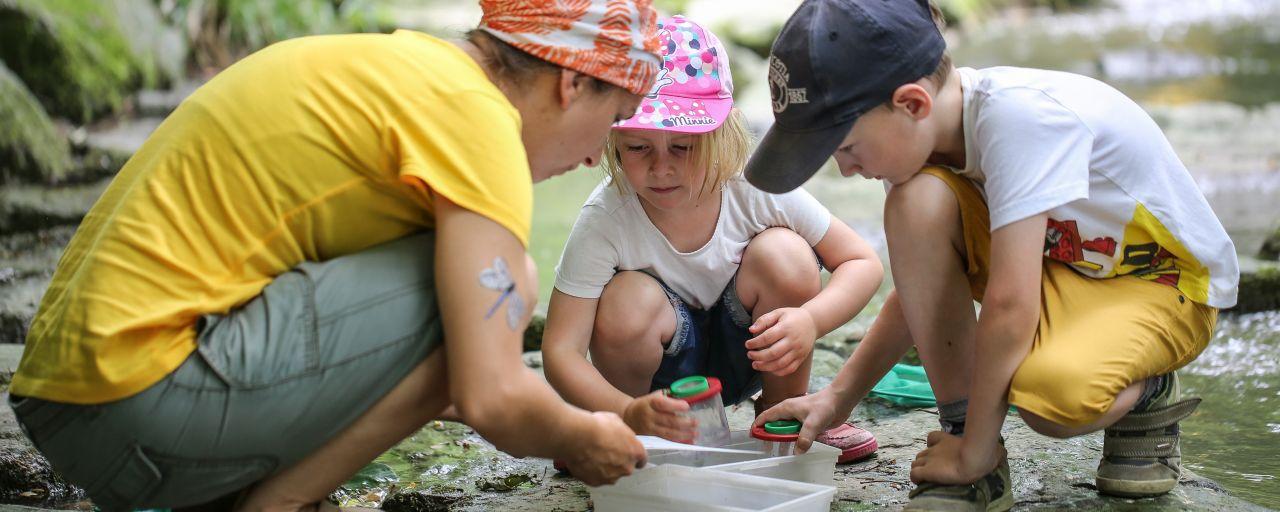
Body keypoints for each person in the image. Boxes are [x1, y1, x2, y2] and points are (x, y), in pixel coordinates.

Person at [8, 1, 664, 510]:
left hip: (71, 398)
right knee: (505, 279)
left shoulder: (407, 72)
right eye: (616, 119)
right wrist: (580, 436)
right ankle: (282, 502)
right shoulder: (478, 120)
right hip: (133, 406)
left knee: (467, 288)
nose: (591, 158)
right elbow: (489, 394)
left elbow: (410, 376)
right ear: (573, 83)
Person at [747, 0, 1239, 510]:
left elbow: (1007, 304)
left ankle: (1148, 393)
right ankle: (966, 442)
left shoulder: (1020, 121)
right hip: (1067, 265)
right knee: (915, 200)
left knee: (1051, 400)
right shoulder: (934, 143)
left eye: (846, 148)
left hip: (1159, 284)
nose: (845, 169)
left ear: (913, 104)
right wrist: (835, 401)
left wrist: (972, 452)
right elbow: (921, 298)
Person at [541, 15, 884, 464]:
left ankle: (783, 416)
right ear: (612, 135)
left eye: (683, 147)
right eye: (638, 148)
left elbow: (863, 263)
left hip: (753, 353)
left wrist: (812, 322)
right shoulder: (608, 216)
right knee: (624, 300)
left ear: (724, 131)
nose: (661, 168)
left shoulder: (755, 185)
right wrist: (621, 409)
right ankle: (622, 432)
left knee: (786, 254)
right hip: (655, 392)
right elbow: (560, 350)